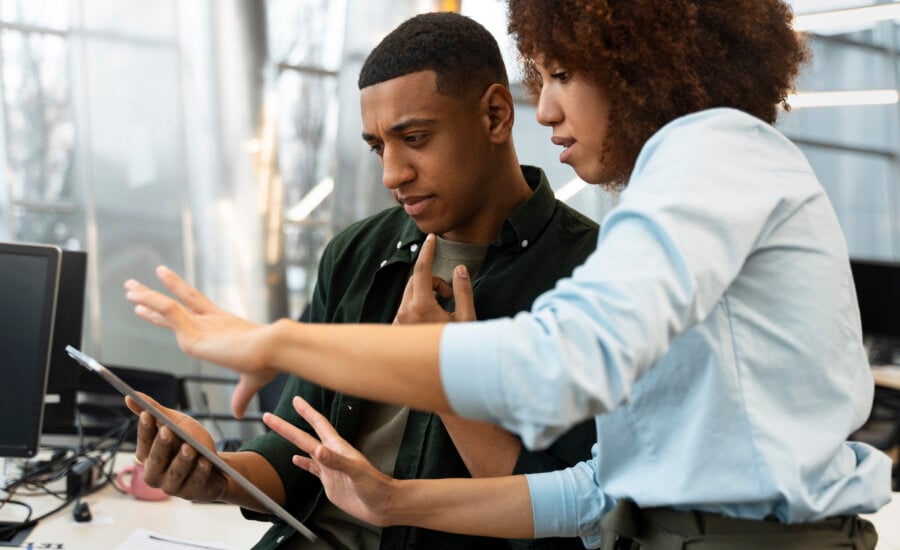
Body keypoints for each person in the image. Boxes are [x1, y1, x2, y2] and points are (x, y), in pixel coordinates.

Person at [124, 0, 893, 548]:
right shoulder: (671, 192)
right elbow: (602, 489)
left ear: (639, 63)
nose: (546, 108)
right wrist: (395, 501)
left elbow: (558, 363)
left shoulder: (709, 153)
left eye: (562, 73)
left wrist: (279, 342)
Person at [125, 11, 599, 550]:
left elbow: (573, 517)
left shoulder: (591, 272)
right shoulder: (356, 253)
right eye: (378, 147)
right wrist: (214, 476)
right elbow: (296, 456)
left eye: (414, 138)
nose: (391, 173)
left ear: (495, 115)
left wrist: (438, 367)